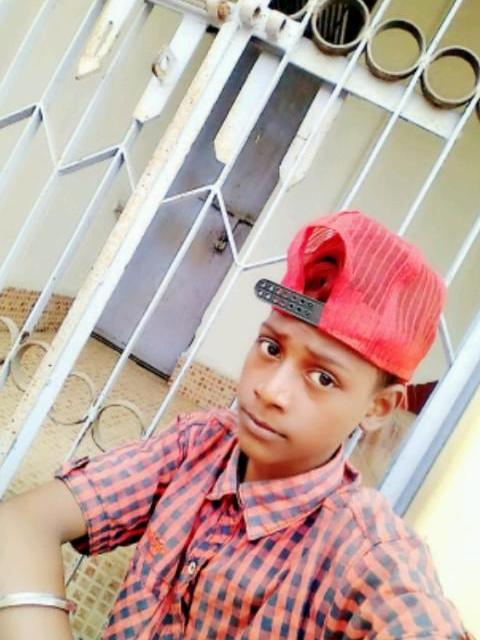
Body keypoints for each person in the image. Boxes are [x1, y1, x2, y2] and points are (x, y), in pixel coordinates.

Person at [0, 210, 468, 639]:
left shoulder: (365, 554)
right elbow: (21, 522)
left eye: (323, 378)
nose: (271, 390)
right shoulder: (200, 445)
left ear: (378, 408)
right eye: (272, 348)